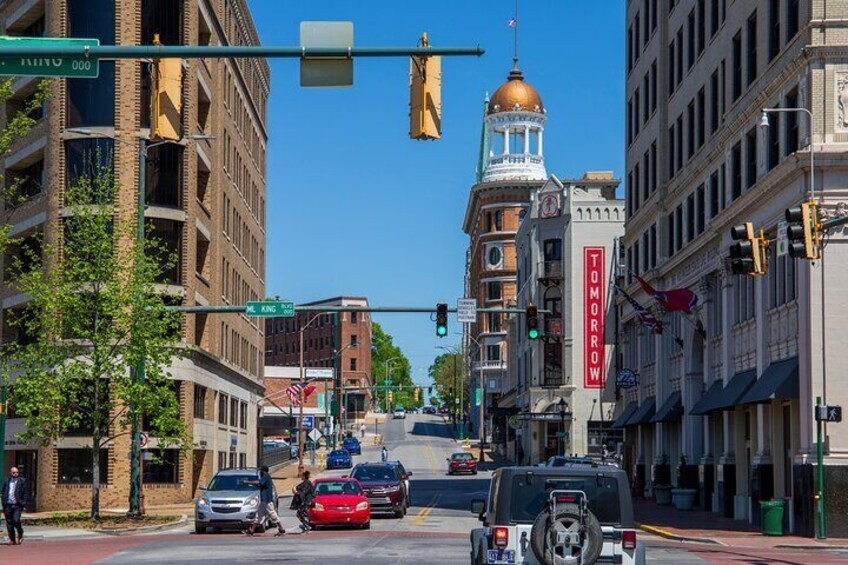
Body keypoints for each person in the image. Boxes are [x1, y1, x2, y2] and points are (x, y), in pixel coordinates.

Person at [243, 466, 284, 537]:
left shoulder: (266, 475)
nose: (260, 472)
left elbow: (259, 482)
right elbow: (260, 484)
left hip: (267, 499)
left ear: (263, 471)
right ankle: (251, 531)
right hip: (263, 500)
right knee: (259, 515)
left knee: (272, 513)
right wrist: (252, 484)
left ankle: (281, 529)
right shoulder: (265, 477)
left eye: (261, 471)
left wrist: (248, 482)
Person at [2, 467, 29, 545]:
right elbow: (3, 492)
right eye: (13, 472)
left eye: (17, 472)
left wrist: (23, 503)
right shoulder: (7, 481)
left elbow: (25, 493)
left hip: (17, 505)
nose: (15, 474)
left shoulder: (22, 481)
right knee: (9, 523)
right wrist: (4, 502)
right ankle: (12, 540)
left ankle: (20, 532)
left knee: (16, 520)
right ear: (10, 473)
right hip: (8, 505)